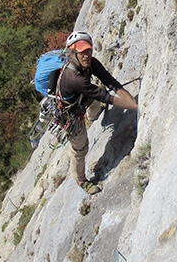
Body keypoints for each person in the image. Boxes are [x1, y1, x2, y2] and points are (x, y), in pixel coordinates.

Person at [54, 31, 138, 194]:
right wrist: (137, 107)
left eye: (88, 50)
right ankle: (81, 180)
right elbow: (106, 97)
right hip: (70, 113)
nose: (86, 55)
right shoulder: (72, 77)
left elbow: (111, 83)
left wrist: (132, 101)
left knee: (94, 102)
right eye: (81, 52)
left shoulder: (91, 63)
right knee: (80, 148)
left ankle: (93, 115)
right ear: (72, 54)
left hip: (83, 97)